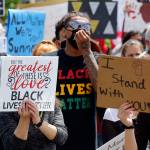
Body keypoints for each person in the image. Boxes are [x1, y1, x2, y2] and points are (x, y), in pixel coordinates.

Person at [43, 11, 103, 150]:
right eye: (75, 25)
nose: (80, 30)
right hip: (54, 138)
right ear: (64, 32)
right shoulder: (48, 60)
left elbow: (103, 90)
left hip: (87, 140)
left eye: (85, 26)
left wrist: (86, 52)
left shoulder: (97, 59)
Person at [0, 99, 68, 150]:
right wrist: (24, 119)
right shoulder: (6, 108)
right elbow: (12, 147)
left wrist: (39, 122)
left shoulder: (51, 104)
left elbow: (61, 138)